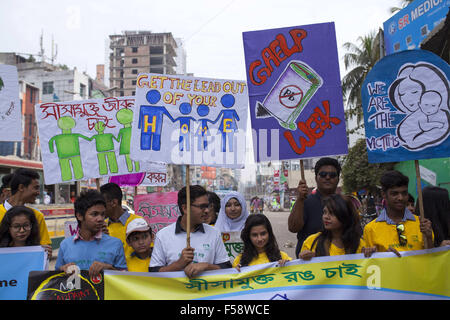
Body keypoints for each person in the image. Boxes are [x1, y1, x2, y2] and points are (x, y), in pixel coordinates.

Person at [149, 185, 231, 278]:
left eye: (207, 206)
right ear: (185, 208)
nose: (207, 210)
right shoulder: (163, 235)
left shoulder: (214, 233)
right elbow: (154, 273)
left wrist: (206, 266)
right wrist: (178, 265)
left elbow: (226, 268)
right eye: (202, 207)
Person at [55, 190, 127, 278]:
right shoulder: (65, 245)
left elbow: (124, 280)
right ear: (80, 216)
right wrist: (62, 270)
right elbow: (55, 279)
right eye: (94, 214)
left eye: (103, 214)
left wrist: (109, 269)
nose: (100, 219)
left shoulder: (116, 244)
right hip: (75, 291)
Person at [363, 170, 434, 255]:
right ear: (384, 194)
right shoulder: (370, 229)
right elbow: (372, 264)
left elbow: (431, 258)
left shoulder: (422, 224)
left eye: (404, 193)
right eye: (394, 193)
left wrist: (429, 237)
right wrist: (384, 257)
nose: (400, 198)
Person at [288, 157, 342, 258]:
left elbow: (354, 234)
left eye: (332, 175)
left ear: (338, 179)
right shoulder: (305, 201)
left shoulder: (344, 204)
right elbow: (293, 227)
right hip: (309, 266)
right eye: (323, 174)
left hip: (339, 265)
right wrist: (300, 199)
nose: (327, 177)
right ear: (316, 177)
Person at [299, 194, 372, 260]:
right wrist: (304, 258)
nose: (326, 217)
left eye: (331, 213)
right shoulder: (311, 242)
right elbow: (302, 270)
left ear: (345, 216)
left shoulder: (360, 244)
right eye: (324, 212)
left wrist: (371, 254)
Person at [0, 169, 52, 259]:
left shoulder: (37, 216)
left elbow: (44, 249)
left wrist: (46, 253)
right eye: (35, 188)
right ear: (21, 187)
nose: (38, 193)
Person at [100, 182, 141, 258]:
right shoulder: (102, 227)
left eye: (102, 204)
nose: (100, 208)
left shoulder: (138, 222)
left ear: (114, 203)